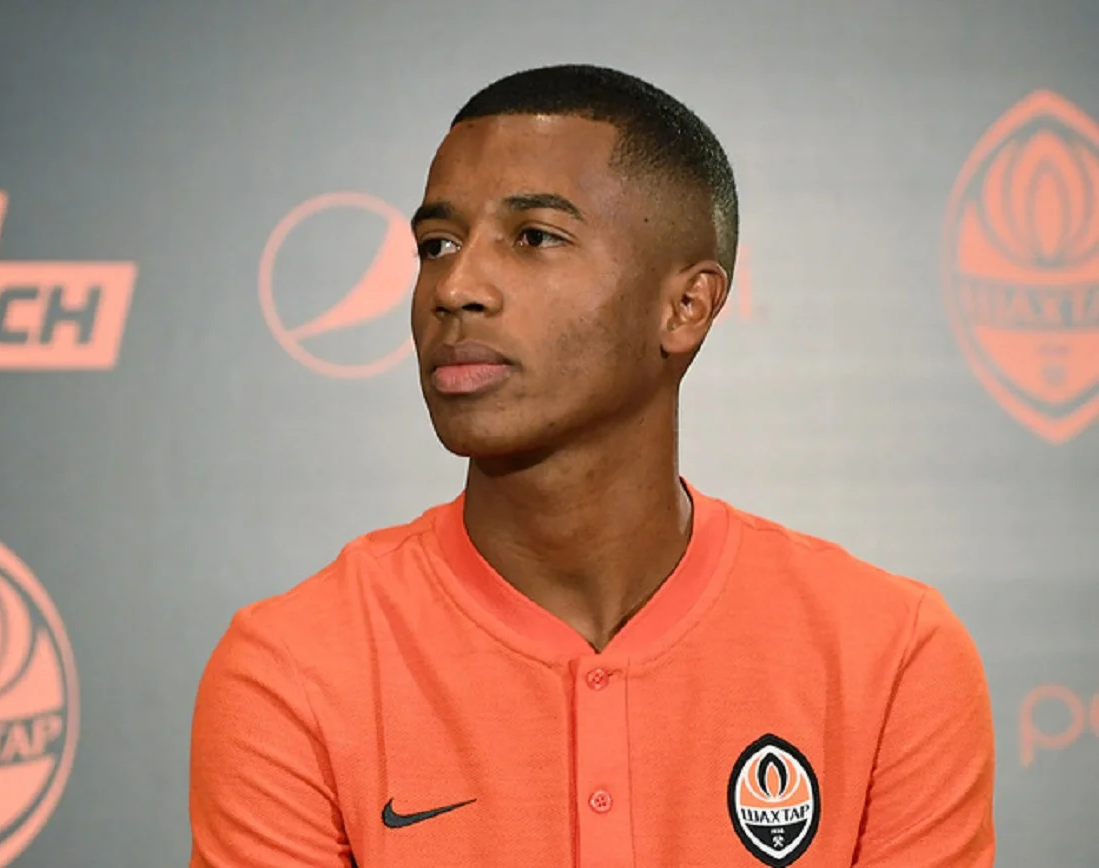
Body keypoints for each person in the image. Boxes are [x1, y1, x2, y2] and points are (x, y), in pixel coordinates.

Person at [188, 64, 995, 867]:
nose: (455, 288)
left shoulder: (892, 655)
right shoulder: (293, 669)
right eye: (437, 245)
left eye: (534, 237)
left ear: (686, 305)